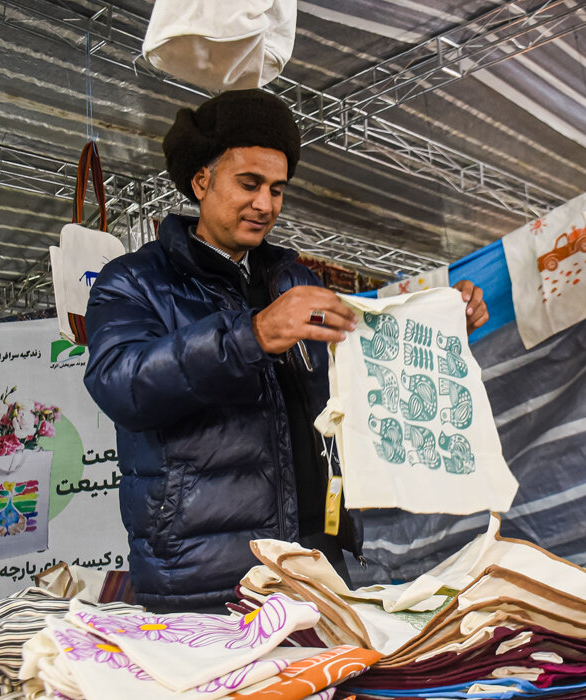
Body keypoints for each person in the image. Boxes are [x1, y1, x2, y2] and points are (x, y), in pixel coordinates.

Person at [83, 89, 489, 612]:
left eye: (277, 189)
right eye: (249, 183)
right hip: (207, 572)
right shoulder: (134, 281)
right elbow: (120, 384)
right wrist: (251, 335)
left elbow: (359, 375)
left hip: (317, 559)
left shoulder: (295, 280)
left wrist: (440, 331)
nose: (265, 204)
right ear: (201, 181)